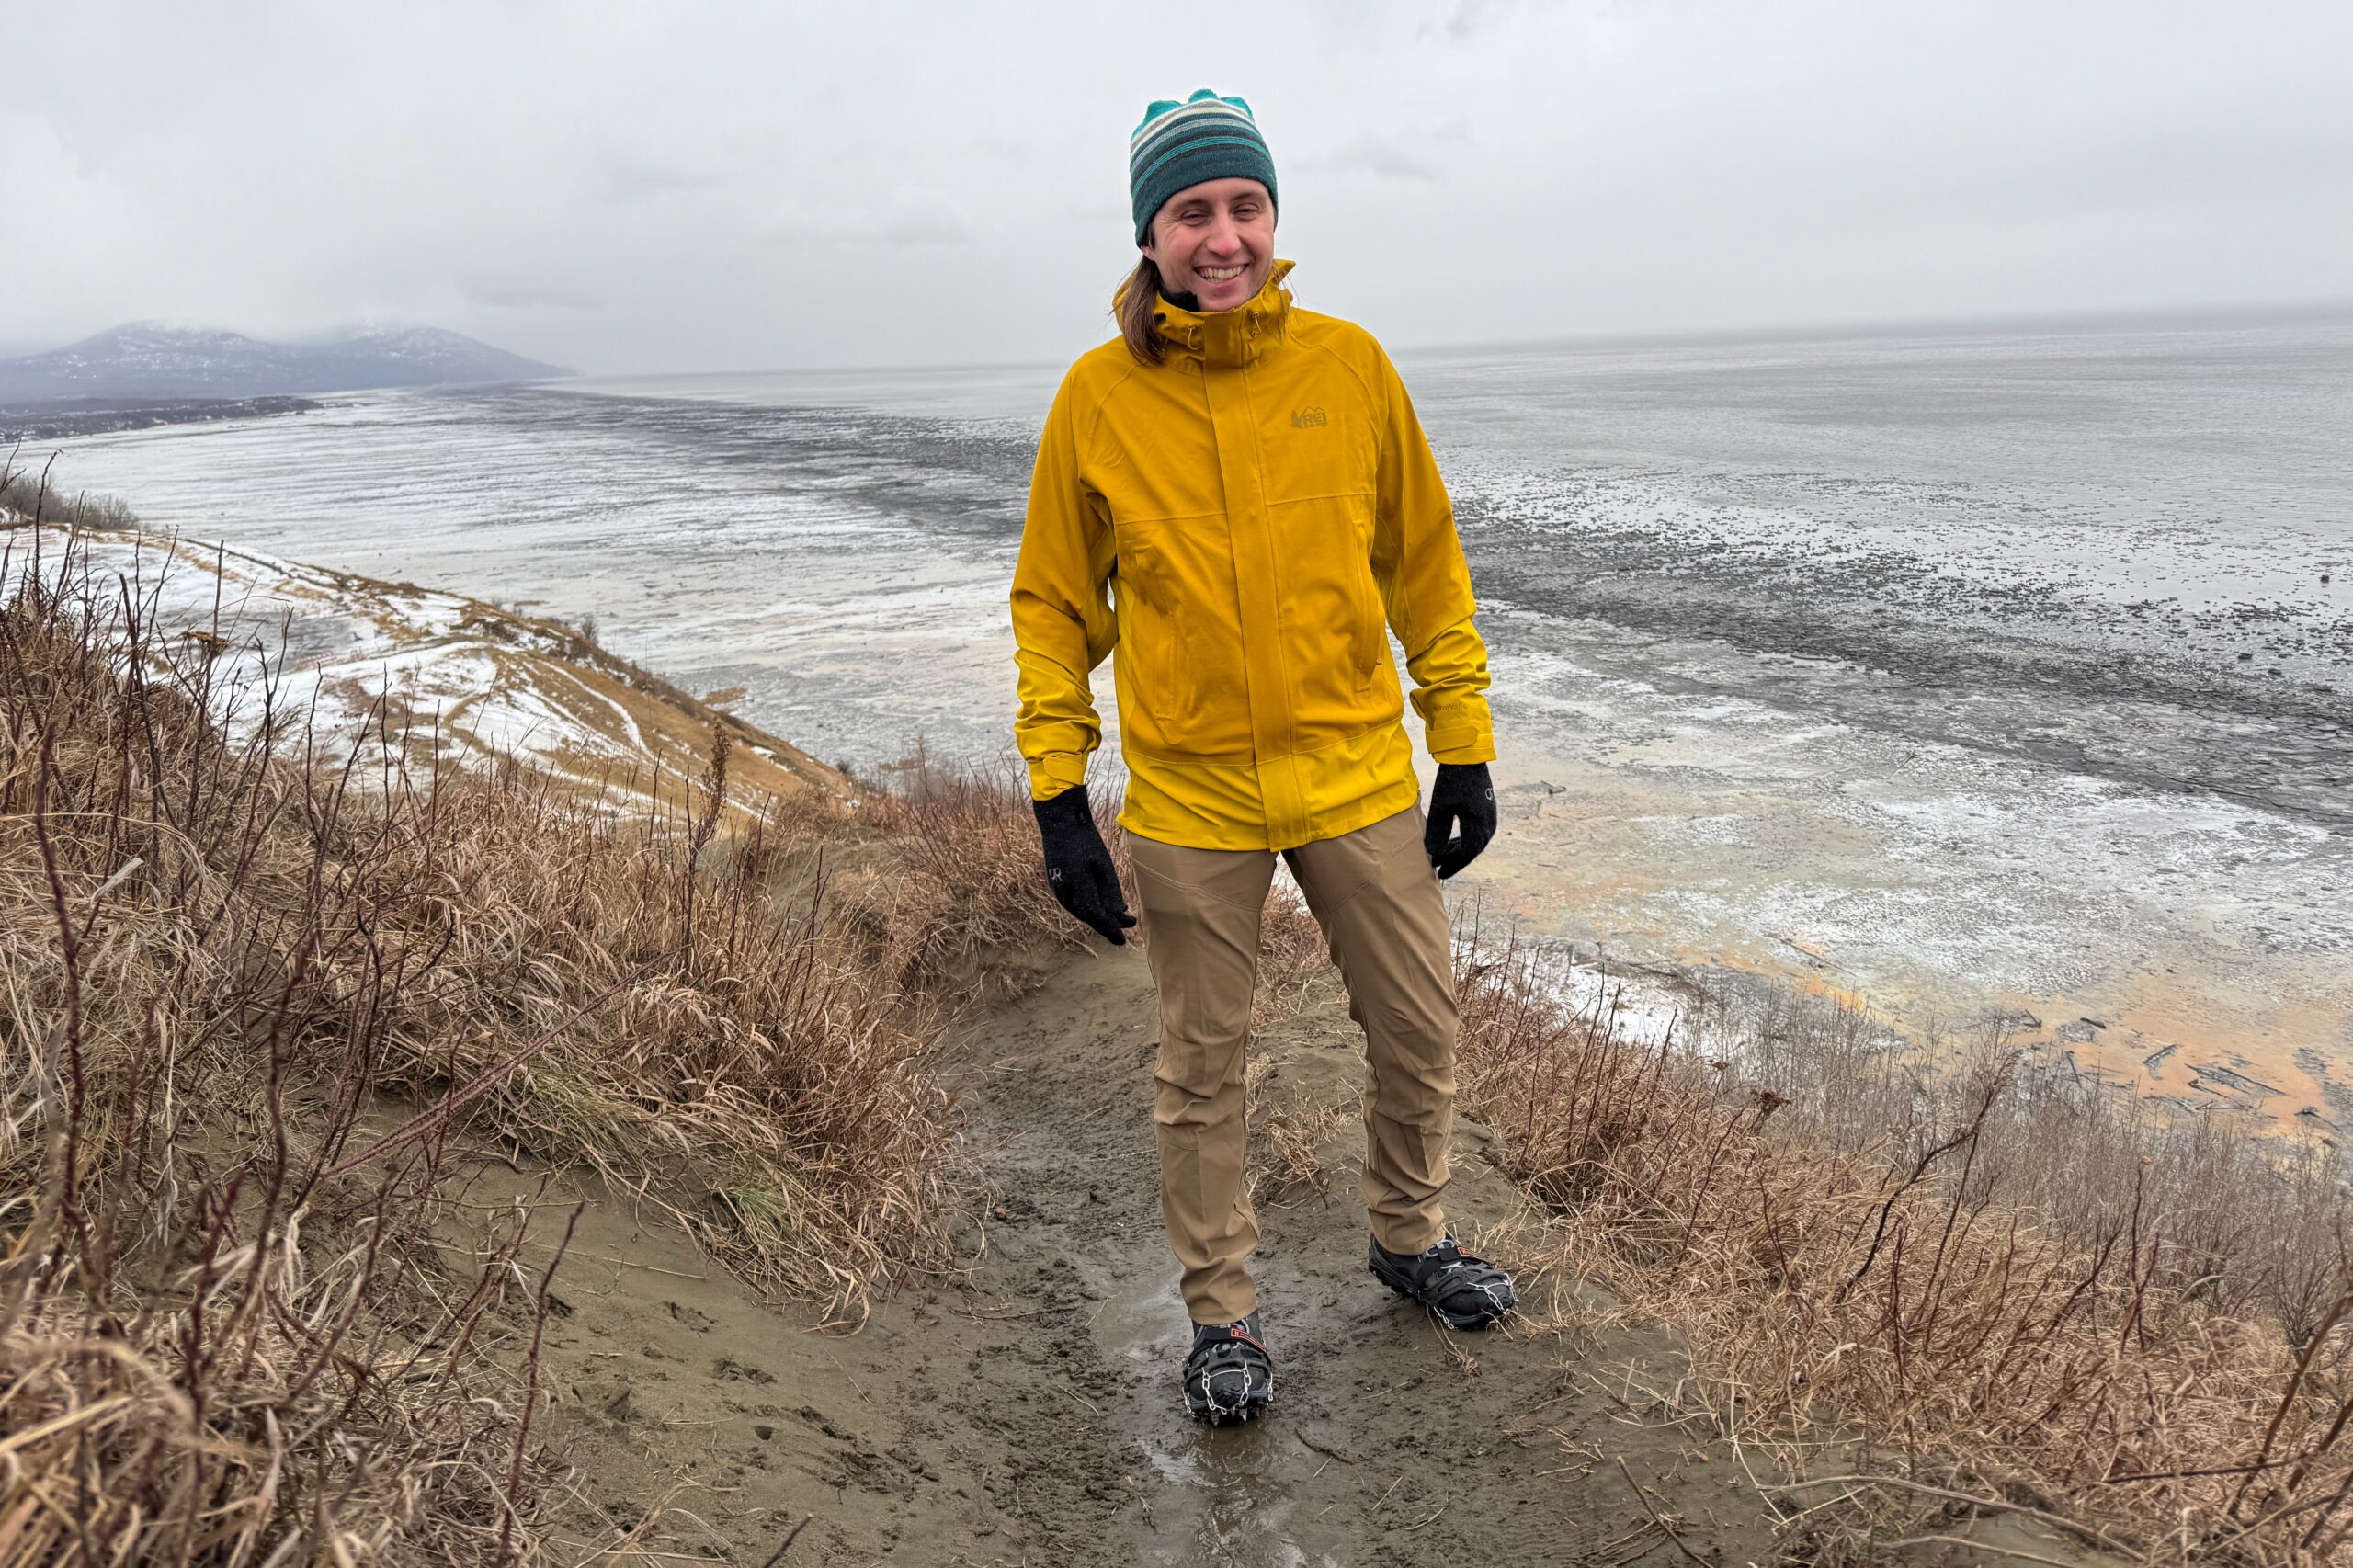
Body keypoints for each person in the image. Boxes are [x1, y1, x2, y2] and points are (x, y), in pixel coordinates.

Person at [1009, 89, 1515, 1426]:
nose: (1222, 237)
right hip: (1191, 794)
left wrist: (1460, 745)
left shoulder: (1349, 367)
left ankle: (1409, 1238)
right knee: (1202, 1063)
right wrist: (1059, 794)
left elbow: (1426, 565)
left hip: (1356, 773)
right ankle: (1223, 1316)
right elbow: (1055, 609)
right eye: (1193, 213)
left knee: (1417, 1023)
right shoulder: (1096, 397)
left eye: (1244, 207)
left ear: (1273, 219)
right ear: (1151, 235)